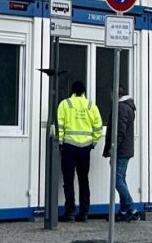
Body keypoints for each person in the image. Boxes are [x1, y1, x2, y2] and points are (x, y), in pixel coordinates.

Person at [57, 80, 102, 222]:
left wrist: (60, 143)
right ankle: (84, 213)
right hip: (85, 149)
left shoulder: (65, 104)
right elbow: (98, 128)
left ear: (72, 91)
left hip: (69, 147)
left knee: (68, 180)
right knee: (84, 180)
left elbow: (59, 126)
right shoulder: (91, 105)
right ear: (84, 92)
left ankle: (69, 212)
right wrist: (92, 143)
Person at [103, 86, 139, 222]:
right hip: (125, 149)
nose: (109, 97)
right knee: (121, 179)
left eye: (110, 94)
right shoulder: (127, 107)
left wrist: (114, 147)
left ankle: (132, 209)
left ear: (114, 94)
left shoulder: (122, 108)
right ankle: (124, 211)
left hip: (121, 150)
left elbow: (120, 130)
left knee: (117, 180)